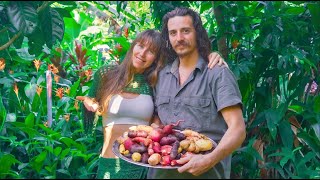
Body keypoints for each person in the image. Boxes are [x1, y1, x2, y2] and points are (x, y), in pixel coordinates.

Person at [76, 29, 226, 179]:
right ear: (133, 45)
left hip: (144, 165)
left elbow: (185, 59)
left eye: (151, 51)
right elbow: (92, 102)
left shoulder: (155, 81)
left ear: (156, 58)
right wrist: (89, 104)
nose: (142, 53)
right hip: (110, 162)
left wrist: (210, 56)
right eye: (140, 46)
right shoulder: (106, 74)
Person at [147, 7, 246, 179]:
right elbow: (156, 115)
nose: (179, 38)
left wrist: (209, 160)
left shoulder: (217, 74)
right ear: (168, 38)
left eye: (186, 31)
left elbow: (237, 130)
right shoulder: (161, 76)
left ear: (197, 33)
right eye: (173, 33)